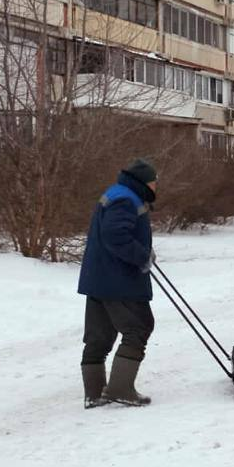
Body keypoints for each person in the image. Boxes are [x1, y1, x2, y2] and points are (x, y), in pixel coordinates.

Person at [77, 158, 158, 407]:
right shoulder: (126, 199)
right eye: (155, 182)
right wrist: (142, 256)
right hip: (118, 280)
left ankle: (95, 393)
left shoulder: (118, 193)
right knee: (139, 327)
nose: (157, 186)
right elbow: (115, 235)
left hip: (100, 278)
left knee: (99, 335)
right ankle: (121, 389)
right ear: (145, 182)